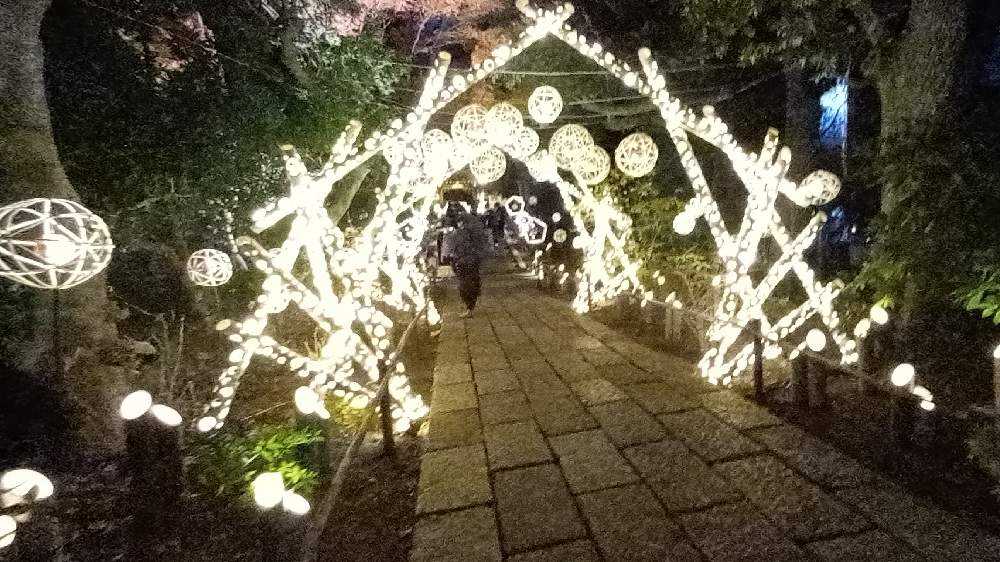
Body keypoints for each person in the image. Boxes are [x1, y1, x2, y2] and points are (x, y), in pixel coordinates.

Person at [443, 203, 491, 317]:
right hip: (474, 260)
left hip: (463, 262)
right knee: (472, 282)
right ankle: (471, 307)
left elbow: (452, 247)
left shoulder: (460, 233)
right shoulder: (476, 229)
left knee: (465, 284)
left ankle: (469, 308)